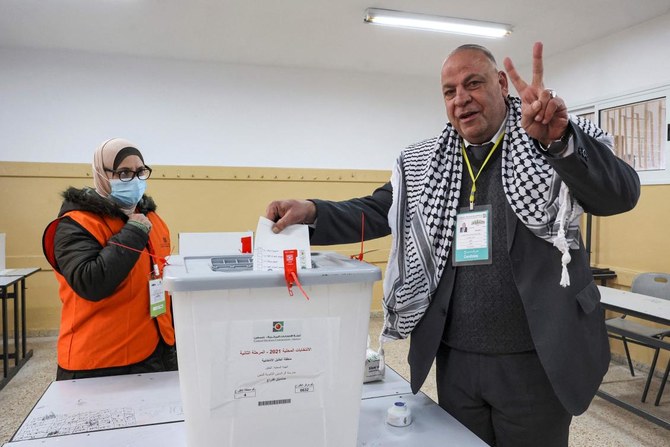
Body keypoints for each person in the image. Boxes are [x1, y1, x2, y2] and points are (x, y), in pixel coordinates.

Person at [265, 42, 640, 446]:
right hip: (456, 359)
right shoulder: (429, 162)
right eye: (449, 91)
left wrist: (560, 141)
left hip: (537, 360)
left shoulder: (548, 141)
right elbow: (379, 210)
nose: (461, 99)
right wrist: (312, 212)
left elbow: (620, 195)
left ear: (500, 84)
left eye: (473, 83)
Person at [42, 138, 177, 380]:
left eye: (140, 172)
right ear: (101, 174)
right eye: (123, 173)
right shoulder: (76, 223)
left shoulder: (151, 218)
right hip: (99, 360)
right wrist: (133, 232)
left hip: (154, 349)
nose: (134, 180)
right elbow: (91, 282)